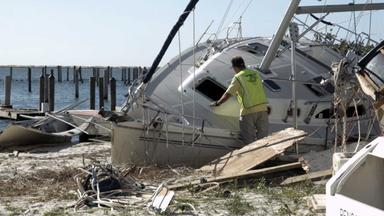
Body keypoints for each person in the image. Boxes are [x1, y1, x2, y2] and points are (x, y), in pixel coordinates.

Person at [210, 56, 269, 143]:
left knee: (249, 139)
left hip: (248, 110)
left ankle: (252, 155)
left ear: (235, 67)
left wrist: (218, 103)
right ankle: (266, 154)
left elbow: (228, 94)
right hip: (263, 108)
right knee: (263, 137)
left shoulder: (238, 77)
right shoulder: (255, 73)